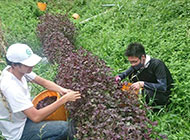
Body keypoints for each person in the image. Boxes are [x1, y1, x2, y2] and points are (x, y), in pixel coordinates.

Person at [0, 43, 81, 140]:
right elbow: (36, 117)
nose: (32, 66)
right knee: (65, 128)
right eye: (28, 64)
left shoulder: (16, 71)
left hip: (24, 117)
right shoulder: (11, 87)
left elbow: (43, 82)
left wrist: (62, 90)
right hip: (19, 131)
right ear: (14, 65)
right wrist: (64, 99)